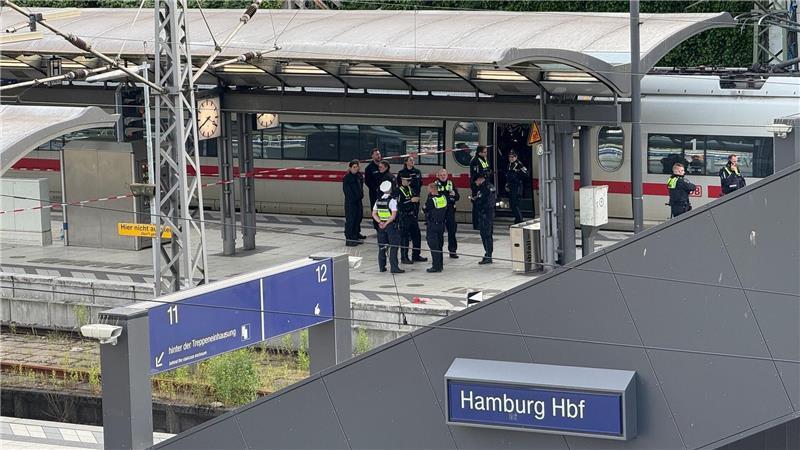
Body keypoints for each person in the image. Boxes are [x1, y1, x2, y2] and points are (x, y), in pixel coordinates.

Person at [372, 180, 404, 274]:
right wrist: (386, 223)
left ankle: (382, 267)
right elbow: (393, 215)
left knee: (382, 247)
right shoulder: (392, 201)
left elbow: (374, 213)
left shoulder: (378, 201)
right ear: (390, 189)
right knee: (393, 247)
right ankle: (394, 268)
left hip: (381, 226)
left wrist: (380, 222)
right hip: (390, 226)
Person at [397, 175, 427, 264]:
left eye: (408, 180)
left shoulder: (411, 189)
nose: (406, 182)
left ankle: (416, 255)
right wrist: (411, 201)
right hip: (404, 216)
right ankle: (404, 257)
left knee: (417, 236)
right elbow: (398, 205)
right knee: (405, 238)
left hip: (412, 215)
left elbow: (416, 199)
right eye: (405, 180)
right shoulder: (398, 191)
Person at [434, 168, 460, 258]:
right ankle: (439, 250)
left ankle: (452, 251)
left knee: (452, 232)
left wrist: (454, 194)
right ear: (438, 176)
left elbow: (457, 197)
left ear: (447, 175)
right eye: (441, 175)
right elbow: (432, 198)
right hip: (439, 213)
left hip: (450, 212)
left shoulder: (451, 183)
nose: (443, 177)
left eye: (444, 175)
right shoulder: (435, 184)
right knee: (439, 233)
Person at [423, 182, 447, 273]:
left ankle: (435, 266)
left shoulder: (431, 200)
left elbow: (424, 209)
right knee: (439, 245)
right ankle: (440, 265)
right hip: (441, 225)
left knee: (433, 246)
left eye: (429, 188)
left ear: (433, 189)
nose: (428, 190)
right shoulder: (443, 198)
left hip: (432, 225)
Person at [342, 160, 365, 246]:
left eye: (357, 167)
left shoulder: (359, 176)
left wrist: (360, 196)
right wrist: (355, 198)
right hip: (351, 203)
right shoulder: (347, 177)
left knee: (358, 218)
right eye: (354, 167)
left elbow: (360, 188)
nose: (356, 169)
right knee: (351, 220)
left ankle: (355, 236)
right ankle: (349, 238)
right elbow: (347, 192)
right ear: (350, 168)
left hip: (358, 201)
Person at [474, 175, 496, 264]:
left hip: (485, 214)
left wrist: (474, 200)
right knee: (489, 234)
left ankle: (488, 255)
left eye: (476, 181)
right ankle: (488, 254)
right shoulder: (490, 186)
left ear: (480, 179)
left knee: (485, 235)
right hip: (490, 213)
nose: (476, 183)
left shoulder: (483, 188)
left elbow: (482, 201)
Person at [470, 145, 492, 230]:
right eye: (484, 152)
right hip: (477, 185)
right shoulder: (475, 161)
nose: (486, 153)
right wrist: (484, 175)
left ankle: (481, 222)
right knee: (477, 204)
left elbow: (487, 169)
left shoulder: (483, 159)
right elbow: (476, 175)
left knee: (483, 204)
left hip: (484, 184)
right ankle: (476, 224)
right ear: (479, 152)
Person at [505, 151, 528, 224]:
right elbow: (509, 175)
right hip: (511, 186)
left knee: (515, 204)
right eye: (509, 157)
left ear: (516, 157)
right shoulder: (509, 164)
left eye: (512, 157)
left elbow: (526, 174)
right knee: (512, 204)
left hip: (517, 186)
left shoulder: (519, 164)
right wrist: (507, 184)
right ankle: (517, 219)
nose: (511, 158)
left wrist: (517, 173)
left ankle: (520, 220)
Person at [364, 148, 383, 214]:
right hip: (374, 194)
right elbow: (367, 181)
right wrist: (376, 189)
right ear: (372, 156)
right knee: (375, 212)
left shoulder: (384, 166)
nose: (379, 156)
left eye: (379, 154)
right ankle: (376, 224)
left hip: (384, 194)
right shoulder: (369, 168)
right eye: (377, 154)